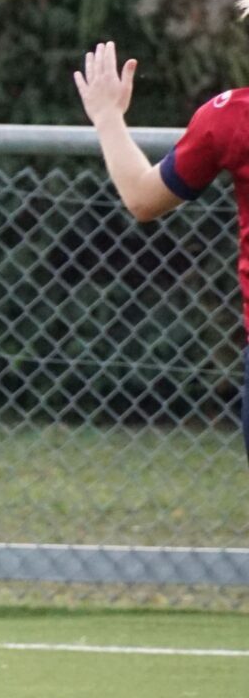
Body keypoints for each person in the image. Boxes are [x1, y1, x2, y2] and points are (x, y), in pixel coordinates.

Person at [73, 33, 249, 461]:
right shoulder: (228, 120)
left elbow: (141, 196)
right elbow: (144, 200)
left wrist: (108, 116)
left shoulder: (230, 118)